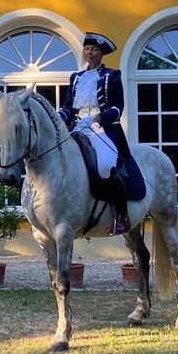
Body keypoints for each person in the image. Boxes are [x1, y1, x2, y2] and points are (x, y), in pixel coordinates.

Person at [57, 32, 131, 235]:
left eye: (94, 49)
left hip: (101, 128)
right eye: (87, 49)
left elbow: (117, 107)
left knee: (107, 164)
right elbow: (68, 106)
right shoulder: (76, 77)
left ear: (101, 53)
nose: (89, 52)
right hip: (77, 126)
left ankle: (122, 217)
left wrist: (98, 119)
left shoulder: (112, 76)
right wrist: (58, 116)